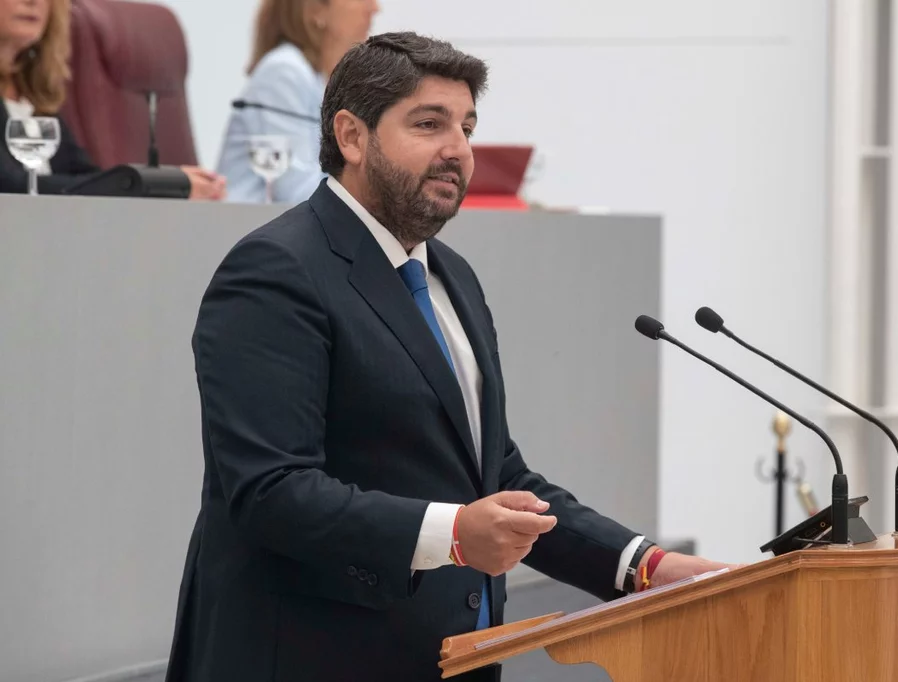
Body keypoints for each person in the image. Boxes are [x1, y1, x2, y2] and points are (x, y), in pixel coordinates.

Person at [166, 32, 733, 682]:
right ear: (351, 136)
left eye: (466, 126)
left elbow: (493, 475)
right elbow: (271, 491)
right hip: (309, 655)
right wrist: (456, 534)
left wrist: (641, 565)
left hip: (445, 656)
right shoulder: (276, 270)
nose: (458, 150)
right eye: (429, 124)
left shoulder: (451, 276)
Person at [0, 0, 225, 197]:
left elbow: (87, 178)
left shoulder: (33, 95)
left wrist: (164, 182)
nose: (33, 1)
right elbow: (11, 185)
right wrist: (146, 185)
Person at [216, 0, 378, 204]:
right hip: (243, 226)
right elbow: (295, 190)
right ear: (317, 10)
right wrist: (380, 189)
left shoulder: (317, 78)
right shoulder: (284, 72)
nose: (375, 8)